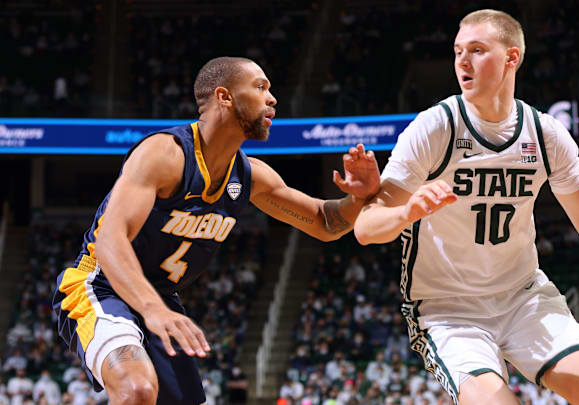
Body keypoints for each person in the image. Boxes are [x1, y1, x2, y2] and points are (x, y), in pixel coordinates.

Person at [353, 9, 579, 405]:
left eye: (477, 50)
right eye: (458, 50)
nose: (462, 61)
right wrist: (405, 213)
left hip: (523, 296)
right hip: (449, 309)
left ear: (512, 57)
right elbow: (365, 227)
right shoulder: (434, 128)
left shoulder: (545, 134)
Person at [52, 56, 380, 405]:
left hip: (158, 298)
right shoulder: (164, 154)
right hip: (99, 285)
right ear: (224, 96)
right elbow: (109, 241)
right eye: (260, 87)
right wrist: (153, 308)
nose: (272, 99)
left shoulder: (251, 176)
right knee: (136, 390)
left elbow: (325, 222)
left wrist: (358, 198)